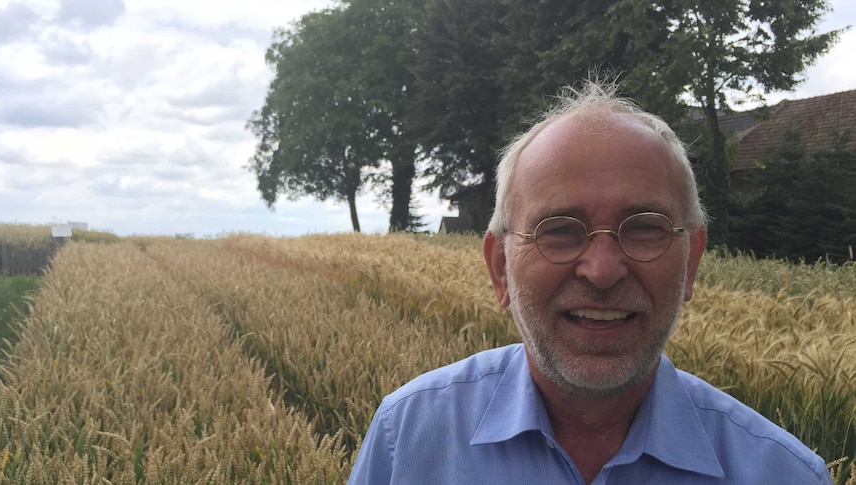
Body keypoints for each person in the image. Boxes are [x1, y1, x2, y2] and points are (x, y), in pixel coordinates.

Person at [347, 79, 833, 484]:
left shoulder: (784, 474)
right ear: (500, 270)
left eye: (644, 227)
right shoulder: (406, 440)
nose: (602, 271)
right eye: (558, 230)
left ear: (691, 263)